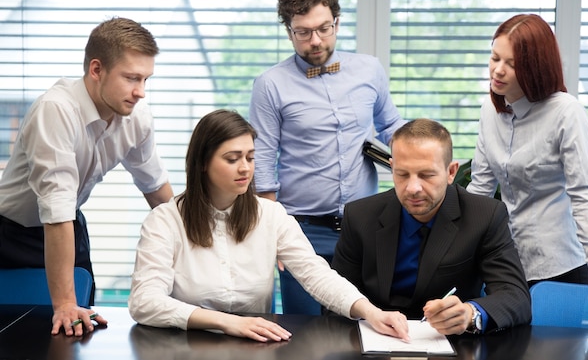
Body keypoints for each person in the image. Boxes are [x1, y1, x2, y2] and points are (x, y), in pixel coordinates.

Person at [128, 109, 410, 343]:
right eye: (232, 158)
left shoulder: (271, 215)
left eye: (250, 157)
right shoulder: (165, 220)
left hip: (254, 345)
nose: (245, 168)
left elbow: (316, 274)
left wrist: (371, 313)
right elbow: (144, 302)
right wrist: (227, 323)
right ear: (202, 163)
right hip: (181, 345)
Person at [0, 17, 174, 336]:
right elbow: (56, 211)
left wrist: (198, 240)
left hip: (68, 227)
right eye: (131, 78)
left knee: (77, 328)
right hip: (10, 232)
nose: (141, 92)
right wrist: (64, 303)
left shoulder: (136, 117)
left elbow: (157, 190)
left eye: (146, 80)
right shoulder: (55, 110)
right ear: (96, 70)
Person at [249, 0, 406, 315]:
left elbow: (391, 125)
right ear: (289, 32)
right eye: (303, 32)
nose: (315, 40)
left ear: (337, 21)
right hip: (300, 232)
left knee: (364, 328)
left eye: (323, 28)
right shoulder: (270, 85)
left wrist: (420, 149)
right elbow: (262, 160)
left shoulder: (369, 69)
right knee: (304, 336)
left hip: (364, 230)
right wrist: (270, 234)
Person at [465, 13, 588, 290]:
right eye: (495, 58)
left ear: (534, 68)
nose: (497, 70)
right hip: (506, 264)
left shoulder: (566, 112)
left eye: (511, 64)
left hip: (560, 266)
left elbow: (584, 192)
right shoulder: (489, 111)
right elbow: (481, 188)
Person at [332, 118, 531, 335]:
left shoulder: (484, 216)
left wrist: (470, 314)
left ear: (451, 172)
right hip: (374, 339)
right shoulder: (360, 216)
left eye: (426, 175)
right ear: (392, 167)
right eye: (402, 174)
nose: (413, 188)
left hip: (452, 343)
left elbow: (515, 297)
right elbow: (335, 299)